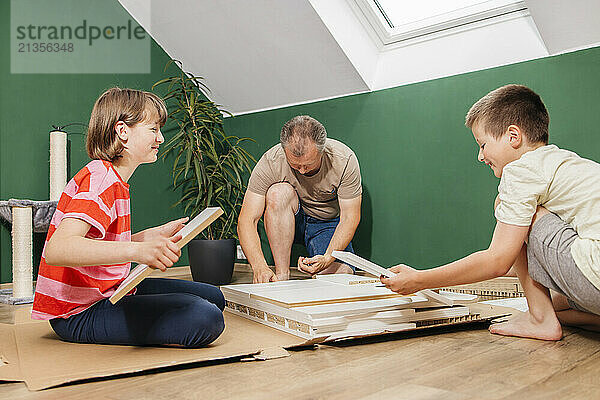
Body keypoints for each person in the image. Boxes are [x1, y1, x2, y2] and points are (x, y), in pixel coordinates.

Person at [381, 84, 600, 341]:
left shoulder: (521, 170)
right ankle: (554, 316)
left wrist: (421, 280)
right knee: (559, 301)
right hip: (591, 273)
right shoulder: (562, 162)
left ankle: (541, 320)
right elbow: (519, 261)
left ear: (513, 136)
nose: (480, 156)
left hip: (594, 275)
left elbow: (497, 261)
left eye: (483, 144)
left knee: (506, 208)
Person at [31, 87, 225, 347]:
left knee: (214, 297)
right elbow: (58, 248)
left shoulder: (114, 179)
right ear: (122, 132)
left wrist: (148, 237)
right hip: (78, 313)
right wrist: (138, 250)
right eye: (153, 130)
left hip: (110, 291)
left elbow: (96, 242)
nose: (161, 139)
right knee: (206, 316)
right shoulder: (100, 179)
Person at [238, 115, 362, 283]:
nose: (302, 171)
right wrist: (259, 266)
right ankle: (282, 277)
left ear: (322, 150)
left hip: (326, 223)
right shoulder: (271, 161)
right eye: (295, 165)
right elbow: (247, 219)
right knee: (277, 193)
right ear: (284, 151)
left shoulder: (344, 159)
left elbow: (349, 217)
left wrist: (327, 258)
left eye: (309, 164)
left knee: (341, 275)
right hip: (287, 219)